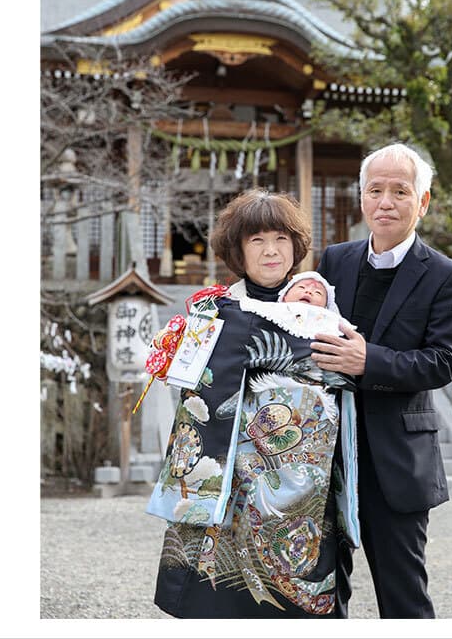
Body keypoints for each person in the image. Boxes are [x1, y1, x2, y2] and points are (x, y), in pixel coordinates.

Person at [146, 189, 358, 619]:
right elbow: (190, 390)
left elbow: (342, 385)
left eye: (280, 239)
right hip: (226, 482)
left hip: (301, 487)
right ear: (237, 250)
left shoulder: (322, 311)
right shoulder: (215, 311)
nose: (271, 251)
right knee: (215, 601)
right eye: (256, 240)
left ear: (296, 246)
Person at [310, 142, 452, 619]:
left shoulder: (444, 275)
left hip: (396, 461)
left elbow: (443, 361)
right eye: (374, 190)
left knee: (404, 598)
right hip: (326, 455)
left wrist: (368, 361)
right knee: (319, 595)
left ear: (422, 202)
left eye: (400, 191)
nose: (385, 202)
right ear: (361, 199)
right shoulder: (334, 260)